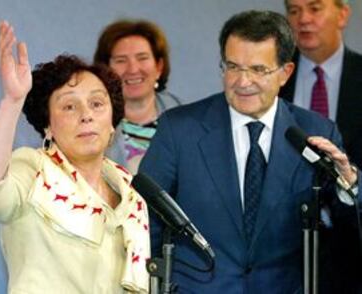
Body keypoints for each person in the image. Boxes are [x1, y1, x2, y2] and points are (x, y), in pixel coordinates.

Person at [139, 10, 361, 293]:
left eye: (258, 70)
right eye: (233, 67)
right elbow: (146, 223)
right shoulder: (179, 129)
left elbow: (348, 229)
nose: (242, 82)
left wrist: (350, 183)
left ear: (285, 73)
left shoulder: (315, 132)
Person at [0, 21, 150, 294]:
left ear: (112, 121)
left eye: (97, 104)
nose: (86, 114)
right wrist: (12, 102)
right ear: (48, 125)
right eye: (69, 106)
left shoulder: (132, 193)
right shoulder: (33, 169)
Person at [280, 1, 362, 292]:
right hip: (284, 248)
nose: (303, 19)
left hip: (353, 250)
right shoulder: (272, 80)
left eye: (315, 8)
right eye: (293, 10)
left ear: (343, 14)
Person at [93, 19, 181, 175]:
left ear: (159, 66)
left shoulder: (186, 120)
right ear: (105, 69)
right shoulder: (91, 123)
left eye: (142, 58)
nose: (133, 69)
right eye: (121, 60)